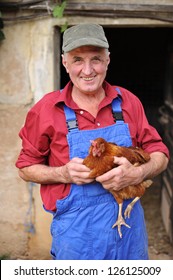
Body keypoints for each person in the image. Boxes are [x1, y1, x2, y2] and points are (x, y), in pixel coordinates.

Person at [16, 23, 169, 260]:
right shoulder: (46, 110)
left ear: (108, 60)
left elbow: (159, 153)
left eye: (96, 59)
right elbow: (25, 168)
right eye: (78, 59)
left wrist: (138, 174)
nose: (87, 70)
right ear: (65, 62)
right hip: (77, 239)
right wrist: (63, 174)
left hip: (128, 235)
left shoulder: (128, 102)